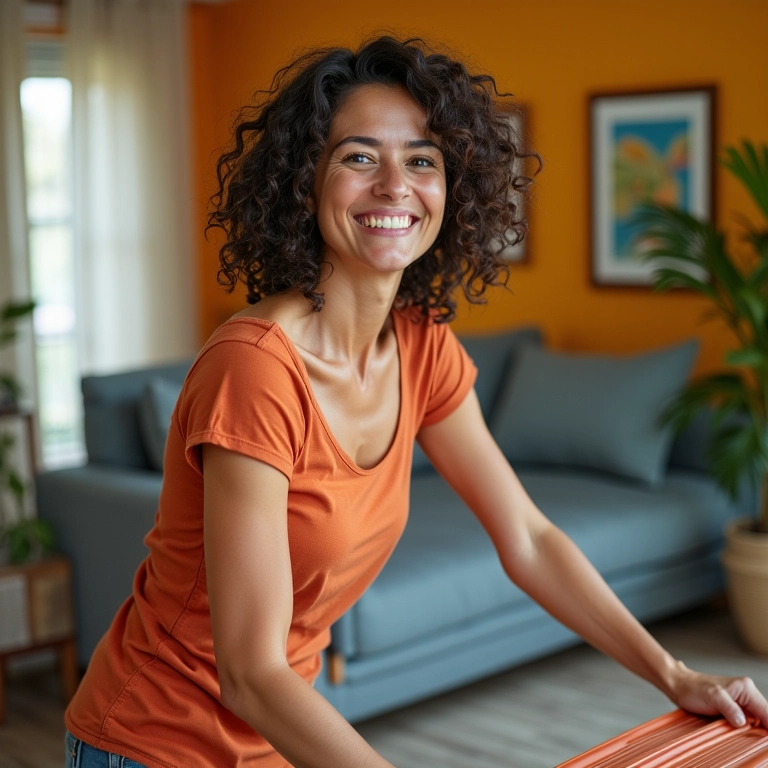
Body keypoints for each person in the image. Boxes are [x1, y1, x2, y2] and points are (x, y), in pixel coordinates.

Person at [64, 36, 768, 768]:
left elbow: (527, 538)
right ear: (305, 180)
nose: (396, 185)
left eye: (422, 160)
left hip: (268, 738)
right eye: (360, 157)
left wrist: (674, 674)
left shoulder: (420, 345)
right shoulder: (254, 370)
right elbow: (249, 672)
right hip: (150, 741)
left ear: (452, 189)